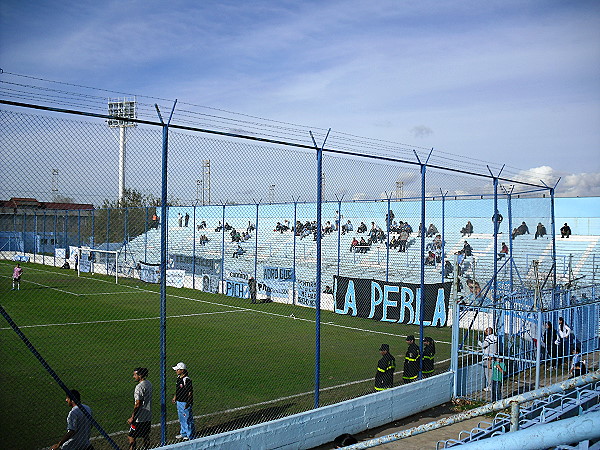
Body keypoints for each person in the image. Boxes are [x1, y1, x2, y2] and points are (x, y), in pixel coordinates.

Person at [128, 367, 152, 450]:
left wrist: (132, 417)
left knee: (131, 436)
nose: (133, 376)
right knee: (145, 435)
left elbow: (138, 404)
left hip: (139, 418)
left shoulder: (139, 387)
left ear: (140, 375)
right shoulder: (148, 383)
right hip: (148, 415)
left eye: (135, 375)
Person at [172, 362, 195, 440]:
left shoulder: (187, 380)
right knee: (182, 418)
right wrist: (175, 397)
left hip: (185, 402)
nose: (176, 371)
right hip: (179, 402)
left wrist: (188, 402)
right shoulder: (179, 378)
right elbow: (178, 390)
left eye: (177, 369)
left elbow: (190, 392)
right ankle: (183, 433)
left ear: (182, 370)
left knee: (187, 419)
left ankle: (190, 435)